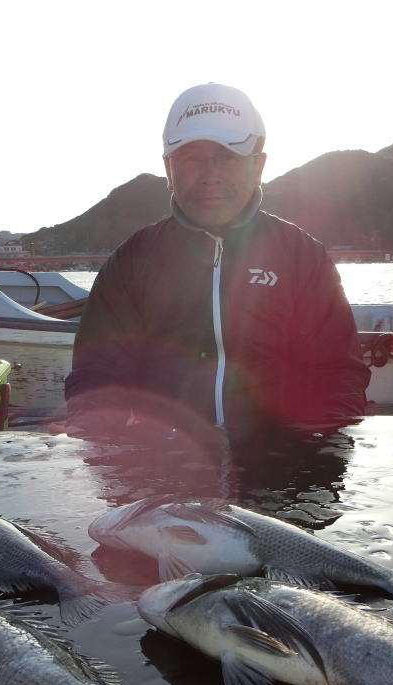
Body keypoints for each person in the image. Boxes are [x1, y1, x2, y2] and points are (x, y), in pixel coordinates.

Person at [64, 83, 371, 451]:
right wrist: (106, 448)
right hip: (160, 467)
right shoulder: (131, 262)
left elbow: (337, 375)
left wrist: (312, 457)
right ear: (168, 169)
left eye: (226, 156)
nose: (209, 174)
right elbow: (97, 377)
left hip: (278, 465)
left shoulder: (303, 257)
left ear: (258, 166)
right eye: (192, 158)